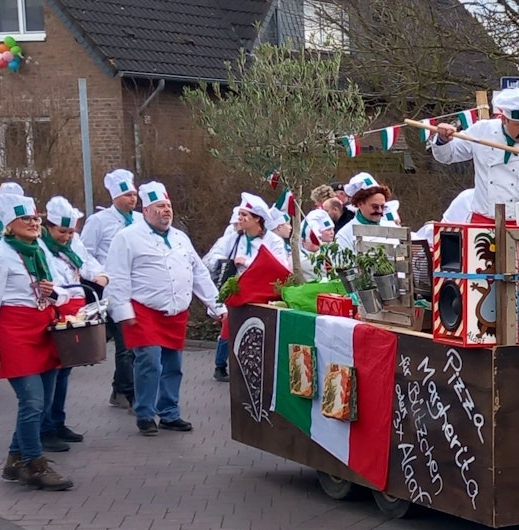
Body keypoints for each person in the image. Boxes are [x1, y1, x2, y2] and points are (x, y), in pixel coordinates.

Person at [0, 189, 72, 490]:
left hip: (43, 330)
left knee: (42, 403)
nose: (33, 222)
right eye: (25, 218)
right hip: (14, 333)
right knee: (32, 400)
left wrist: (53, 292)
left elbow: (62, 291)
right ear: (9, 225)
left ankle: (14, 461)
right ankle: (34, 463)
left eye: (35, 217)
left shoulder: (40, 251)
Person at [105, 182, 224, 436]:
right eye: (160, 206)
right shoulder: (127, 237)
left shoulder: (180, 238)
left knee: (173, 365)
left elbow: (199, 273)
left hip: (176, 312)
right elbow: (117, 276)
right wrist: (122, 311)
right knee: (149, 361)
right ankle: (145, 413)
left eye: (168, 206)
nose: (166, 211)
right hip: (143, 311)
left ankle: (169, 412)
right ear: (146, 210)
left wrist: (217, 306)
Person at [429, 87, 519, 220]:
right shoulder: (482, 130)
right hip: (483, 219)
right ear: (504, 120)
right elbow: (447, 156)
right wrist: (443, 139)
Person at [40, 197, 105, 451]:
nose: (67, 237)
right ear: (48, 227)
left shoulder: (72, 242)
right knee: (51, 370)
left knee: (65, 368)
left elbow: (86, 262)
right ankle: (45, 427)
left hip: (75, 308)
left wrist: (101, 274)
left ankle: (58, 421)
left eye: (70, 232)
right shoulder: (40, 246)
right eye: (62, 232)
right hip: (55, 307)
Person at [207, 194, 292, 381]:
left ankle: (257, 366)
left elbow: (281, 267)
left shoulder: (273, 241)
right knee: (229, 324)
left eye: (245, 215)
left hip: (262, 293)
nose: (240, 218)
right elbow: (212, 258)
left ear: (257, 219)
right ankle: (220, 365)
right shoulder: (233, 238)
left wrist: (247, 262)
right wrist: (227, 262)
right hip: (238, 290)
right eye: (240, 214)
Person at [80, 168, 141, 408]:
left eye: (134, 194)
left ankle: (119, 389)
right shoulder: (99, 221)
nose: (132, 199)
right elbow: (84, 253)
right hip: (114, 290)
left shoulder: (140, 221)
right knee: (126, 343)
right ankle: (129, 393)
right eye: (127, 195)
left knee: (134, 343)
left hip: (139, 289)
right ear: (115, 197)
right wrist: (99, 274)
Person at [334, 176, 400, 251]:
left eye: (382, 206)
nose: (380, 211)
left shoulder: (392, 227)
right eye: (375, 207)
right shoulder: (345, 235)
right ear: (360, 204)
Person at [297, 184, 344, 269]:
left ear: (321, 200)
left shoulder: (319, 214)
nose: (315, 203)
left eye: (316, 201)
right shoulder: (340, 207)